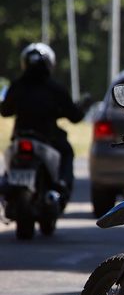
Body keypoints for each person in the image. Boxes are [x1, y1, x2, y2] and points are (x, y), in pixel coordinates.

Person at [0, 43, 88, 205]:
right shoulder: (55, 88)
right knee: (67, 151)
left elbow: (5, 111)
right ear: (49, 63)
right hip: (48, 138)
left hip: (21, 136)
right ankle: (62, 183)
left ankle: (8, 182)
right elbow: (75, 116)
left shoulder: (16, 85)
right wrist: (79, 108)